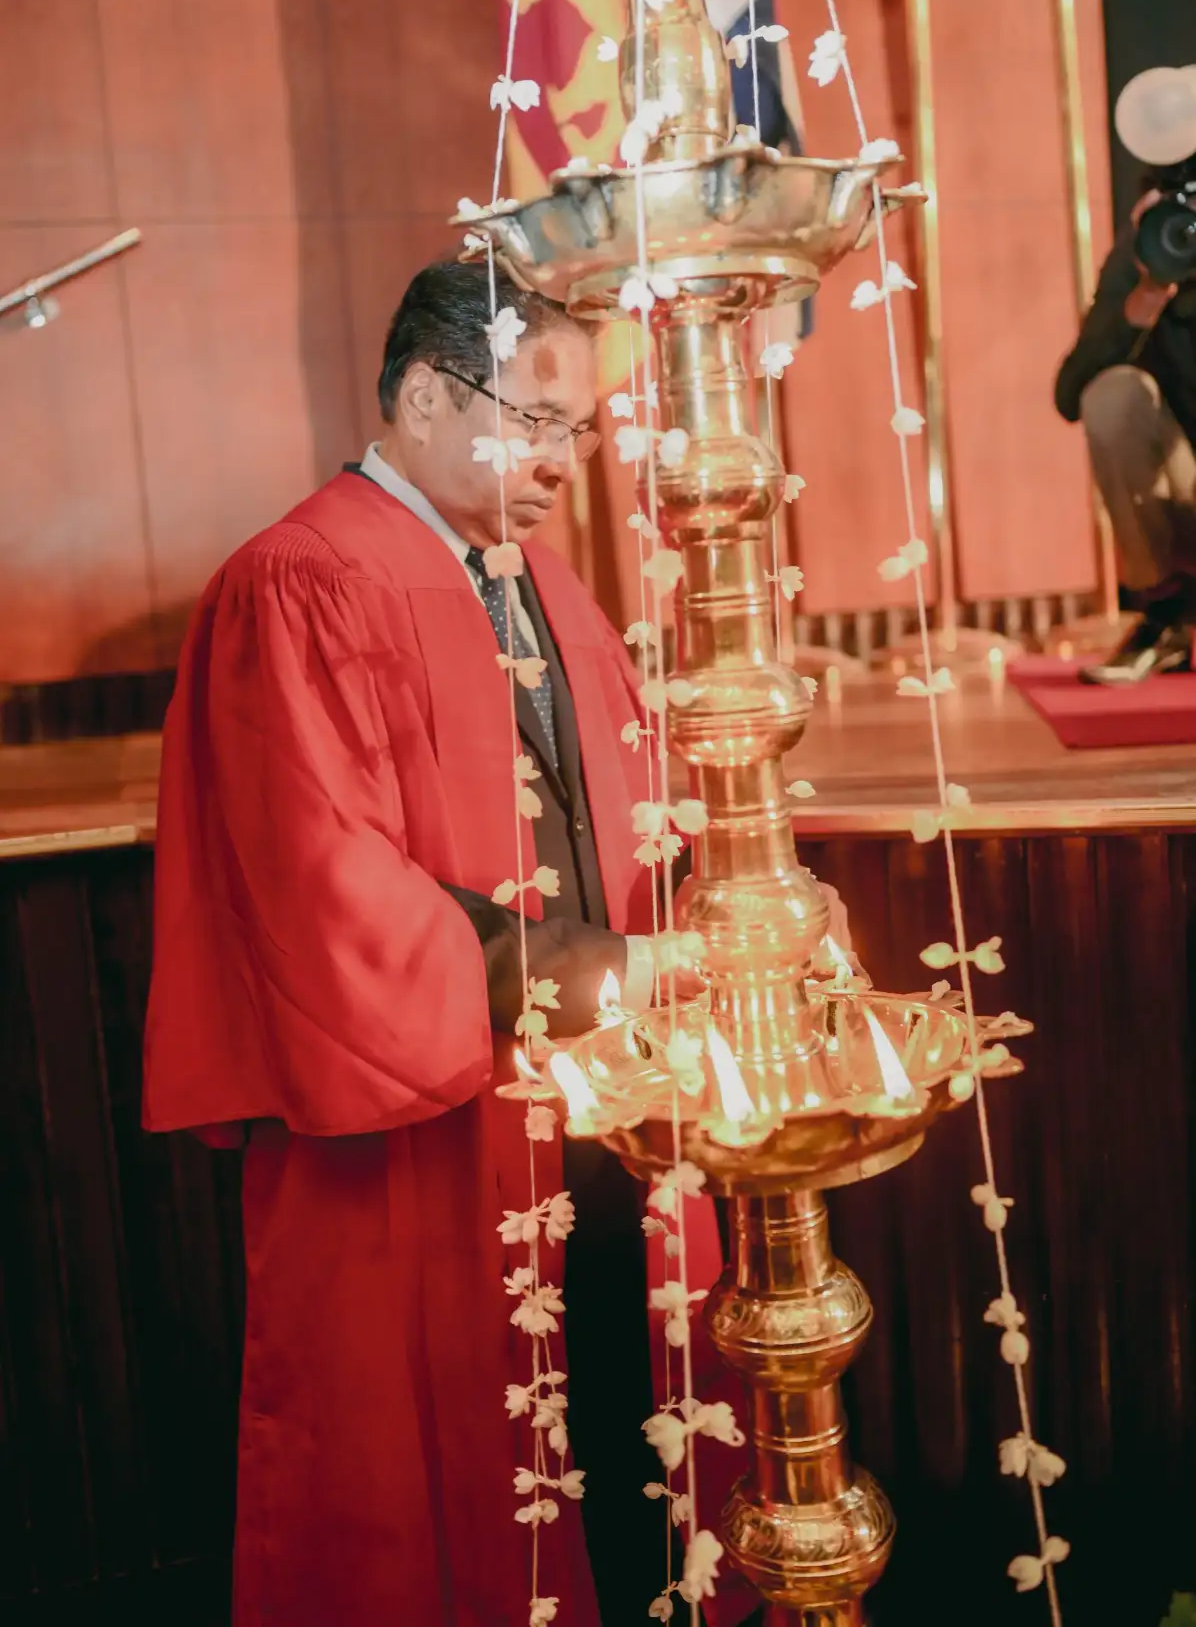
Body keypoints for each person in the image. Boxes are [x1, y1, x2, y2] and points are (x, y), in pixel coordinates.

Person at [142, 258, 756, 1627]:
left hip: (592, 1117)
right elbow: (327, 886)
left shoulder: (543, 584)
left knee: (621, 1460)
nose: (560, 462)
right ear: (425, 395)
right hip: (420, 1131)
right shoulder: (296, 581)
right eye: (533, 420)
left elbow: (627, 813)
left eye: (577, 431)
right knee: (437, 1490)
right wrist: (602, 973)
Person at [1055, 94, 1196, 683]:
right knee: (1112, 395)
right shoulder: (1151, 249)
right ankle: (1165, 616)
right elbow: (1070, 394)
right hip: (1185, 488)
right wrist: (1142, 300)